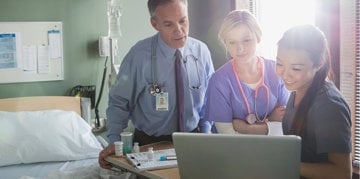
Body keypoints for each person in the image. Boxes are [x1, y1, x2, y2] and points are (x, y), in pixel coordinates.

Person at [99, 0, 214, 169]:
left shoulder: (201, 52)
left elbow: (209, 101)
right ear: (155, 24)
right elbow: (119, 102)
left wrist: (205, 134)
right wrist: (114, 142)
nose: (179, 30)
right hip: (149, 147)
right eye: (169, 24)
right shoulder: (138, 56)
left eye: (183, 21)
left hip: (193, 143)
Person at [276, 25, 352, 178]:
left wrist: (284, 163)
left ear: (318, 64)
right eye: (279, 64)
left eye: (296, 68)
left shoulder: (329, 106)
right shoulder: (299, 88)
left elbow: (342, 173)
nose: (285, 74)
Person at [205, 9, 289, 134]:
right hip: (233, 152)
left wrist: (246, 128)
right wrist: (271, 122)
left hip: (275, 148)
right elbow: (226, 134)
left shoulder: (277, 70)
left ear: (258, 37)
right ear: (225, 44)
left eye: (246, 40)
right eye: (232, 42)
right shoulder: (219, 81)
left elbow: (286, 126)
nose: (240, 49)